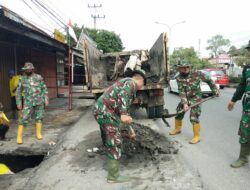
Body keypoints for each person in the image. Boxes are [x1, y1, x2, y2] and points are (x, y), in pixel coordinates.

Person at [93, 69, 146, 183]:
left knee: (108, 134)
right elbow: (123, 99)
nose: (142, 87)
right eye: (143, 84)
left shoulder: (124, 84)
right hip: (106, 112)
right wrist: (123, 114)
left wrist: (130, 130)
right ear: (140, 80)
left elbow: (124, 111)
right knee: (115, 142)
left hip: (102, 111)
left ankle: (107, 146)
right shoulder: (131, 83)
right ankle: (113, 177)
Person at [169, 60, 219, 144]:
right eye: (182, 68)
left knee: (194, 117)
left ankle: (196, 136)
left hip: (196, 98)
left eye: (186, 67)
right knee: (179, 112)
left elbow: (209, 81)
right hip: (186, 98)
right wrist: (185, 104)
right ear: (179, 69)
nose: (185, 69)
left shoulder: (197, 73)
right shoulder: (178, 78)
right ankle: (177, 129)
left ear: (189, 67)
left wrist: (215, 90)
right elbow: (181, 91)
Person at [228, 40, 250, 168]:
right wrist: (233, 100)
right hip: (248, 108)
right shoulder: (247, 68)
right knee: (245, 132)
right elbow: (242, 86)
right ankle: (243, 158)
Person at [16, 62, 49, 144]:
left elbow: (44, 88)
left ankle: (38, 133)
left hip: (39, 101)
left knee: (39, 117)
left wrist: (46, 99)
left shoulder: (38, 77)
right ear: (24, 70)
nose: (28, 70)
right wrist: (18, 102)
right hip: (28, 102)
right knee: (23, 118)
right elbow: (18, 92)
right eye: (26, 69)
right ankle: (19, 137)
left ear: (32, 69)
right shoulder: (22, 79)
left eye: (29, 69)